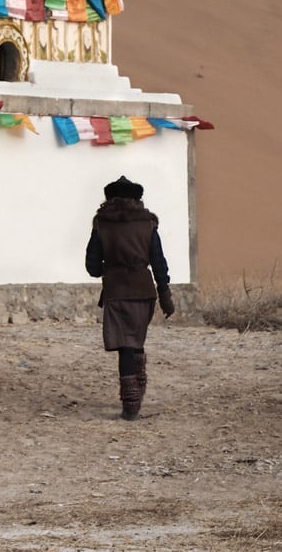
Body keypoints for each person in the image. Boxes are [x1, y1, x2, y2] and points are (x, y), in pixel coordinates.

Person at [84, 175, 175, 420]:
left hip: (116, 291)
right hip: (144, 291)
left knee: (124, 346)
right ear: (138, 198)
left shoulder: (101, 224)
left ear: (109, 198)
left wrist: (109, 268)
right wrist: (165, 294)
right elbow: (158, 261)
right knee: (136, 340)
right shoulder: (148, 223)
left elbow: (92, 266)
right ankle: (138, 391)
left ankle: (130, 403)